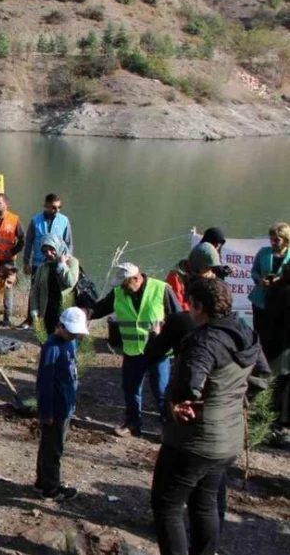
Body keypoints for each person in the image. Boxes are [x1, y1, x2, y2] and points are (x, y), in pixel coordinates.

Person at [151, 278, 260, 555]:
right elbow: (262, 377)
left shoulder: (204, 341)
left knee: (167, 506)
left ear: (199, 306)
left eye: (190, 304)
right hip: (229, 438)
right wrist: (235, 400)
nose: (188, 309)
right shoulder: (245, 332)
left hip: (195, 442)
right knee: (205, 502)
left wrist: (182, 404)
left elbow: (188, 384)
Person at [90, 262, 182, 437]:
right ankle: (133, 424)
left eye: (125, 283)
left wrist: (177, 346)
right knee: (131, 390)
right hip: (133, 351)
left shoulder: (162, 289)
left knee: (162, 392)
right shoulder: (118, 292)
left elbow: (178, 319)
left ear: (136, 278)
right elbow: (100, 308)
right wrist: (84, 312)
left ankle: (168, 428)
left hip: (159, 352)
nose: (123, 288)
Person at [36, 307, 88, 501]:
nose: (75, 336)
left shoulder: (70, 343)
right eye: (72, 332)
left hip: (65, 405)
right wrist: (46, 411)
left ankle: (43, 481)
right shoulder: (52, 347)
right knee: (53, 448)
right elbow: (45, 382)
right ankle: (51, 488)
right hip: (55, 408)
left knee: (51, 445)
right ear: (60, 326)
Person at [23, 194, 73, 326]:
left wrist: (67, 259)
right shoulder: (35, 221)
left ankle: (53, 319)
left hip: (57, 262)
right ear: (45, 205)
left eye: (59, 207)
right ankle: (30, 319)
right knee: (35, 290)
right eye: (54, 207)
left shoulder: (64, 220)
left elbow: (68, 242)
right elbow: (28, 242)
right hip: (38, 263)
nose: (57, 210)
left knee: (55, 290)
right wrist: (26, 262)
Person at [250, 222, 289, 365]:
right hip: (260, 299)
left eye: (277, 239)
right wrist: (260, 280)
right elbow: (254, 271)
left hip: (282, 302)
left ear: (286, 239)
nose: (273, 242)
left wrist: (280, 280)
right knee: (260, 332)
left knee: (278, 333)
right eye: (271, 239)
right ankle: (259, 363)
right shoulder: (263, 252)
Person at [28, 234, 81, 336]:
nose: (49, 253)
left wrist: (62, 265)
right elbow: (35, 292)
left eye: (52, 249)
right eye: (45, 251)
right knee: (47, 344)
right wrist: (34, 314)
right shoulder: (42, 267)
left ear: (58, 246)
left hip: (65, 314)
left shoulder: (72, 262)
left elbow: (70, 282)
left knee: (65, 345)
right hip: (47, 313)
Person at [0, 194, 26, 325]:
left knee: (7, 288)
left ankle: (7, 317)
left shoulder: (14, 220)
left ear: (6, 204)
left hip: (8, 260)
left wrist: (13, 251)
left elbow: (23, 239)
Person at [168, 242, 224, 313]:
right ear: (198, 266)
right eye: (207, 268)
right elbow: (178, 308)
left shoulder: (207, 275)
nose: (210, 272)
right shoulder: (176, 278)